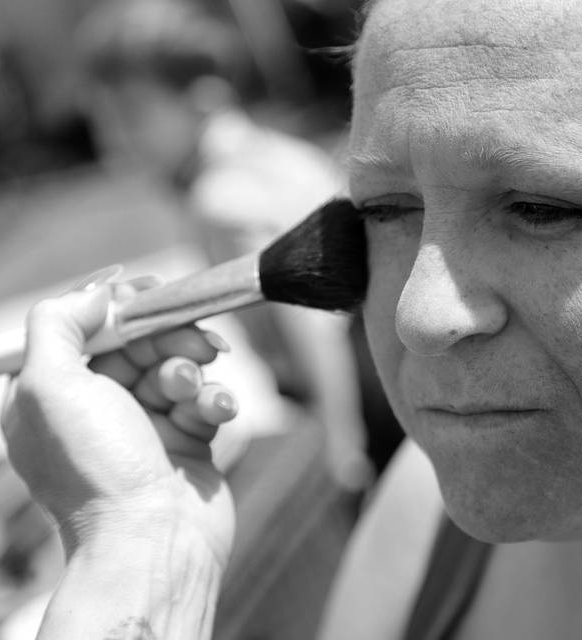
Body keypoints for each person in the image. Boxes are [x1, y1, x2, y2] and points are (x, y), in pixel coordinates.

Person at [1, 0, 582, 637]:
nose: (418, 314)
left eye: (543, 208)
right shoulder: (427, 520)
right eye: (388, 212)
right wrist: (143, 548)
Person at [75, 0, 382, 491]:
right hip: (382, 357)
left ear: (203, 97)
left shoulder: (219, 198)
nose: (117, 142)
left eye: (132, 116)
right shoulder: (275, 151)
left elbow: (310, 323)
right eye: (106, 123)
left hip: (354, 390)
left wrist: (340, 444)